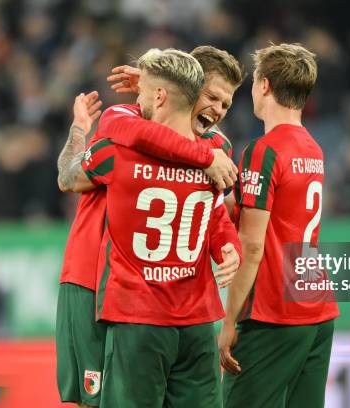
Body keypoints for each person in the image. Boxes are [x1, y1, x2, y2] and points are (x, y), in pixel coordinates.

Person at [55, 45, 245, 408]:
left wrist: (227, 243)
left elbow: (215, 211)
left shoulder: (213, 146)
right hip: (89, 276)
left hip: (143, 300)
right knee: (90, 401)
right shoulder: (130, 123)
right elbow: (72, 176)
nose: (217, 111)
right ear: (187, 89)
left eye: (226, 105)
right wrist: (81, 127)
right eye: (212, 98)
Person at [219, 43, 340, 408]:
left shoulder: (264, 150)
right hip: (316, 307)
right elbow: (261, 211)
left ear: (265, 85)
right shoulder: (312, 148)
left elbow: (252, 245)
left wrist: (228, 323)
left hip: (274, 314)